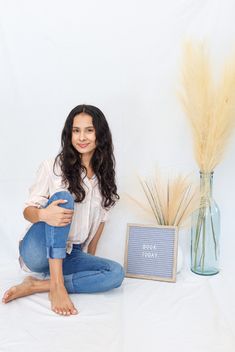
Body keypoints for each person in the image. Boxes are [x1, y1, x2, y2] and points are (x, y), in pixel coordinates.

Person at [2, 104, 125, 316]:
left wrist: (90, 260)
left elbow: (101, 222)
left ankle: (38, 285)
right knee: (63, 198)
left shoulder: (105, 177)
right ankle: (57, 286)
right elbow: (27, 210)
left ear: (99, 134)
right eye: (76, 130)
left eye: (89, 130)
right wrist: (43, 214)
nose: (82, 137)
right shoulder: (53, 167)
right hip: (39, 249)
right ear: (69, 134)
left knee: (115, 273)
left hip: (72, 253)